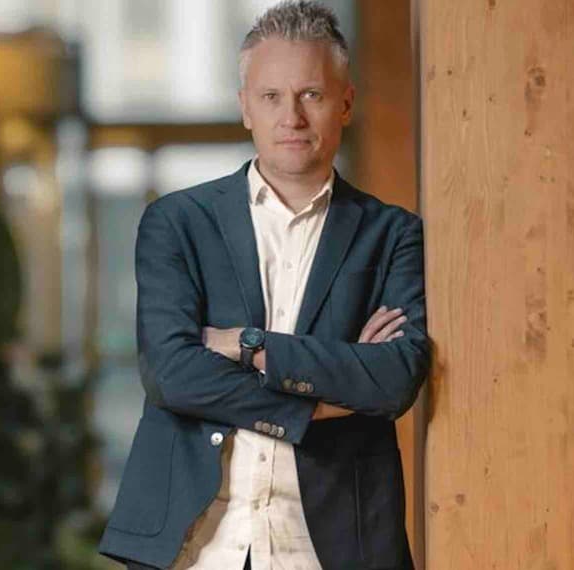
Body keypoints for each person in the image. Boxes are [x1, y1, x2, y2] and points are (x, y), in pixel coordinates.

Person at [98, 1, 429, 568]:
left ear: (345, 103)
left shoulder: (393, 234)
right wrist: (326, 395)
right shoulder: (178, 223)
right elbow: (172, 375)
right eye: (271, 96)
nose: (291, 117)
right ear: (245, 107)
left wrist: (247, 346)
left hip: (332, 548)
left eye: (311, 95)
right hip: (198, 546)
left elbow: (394, 379)